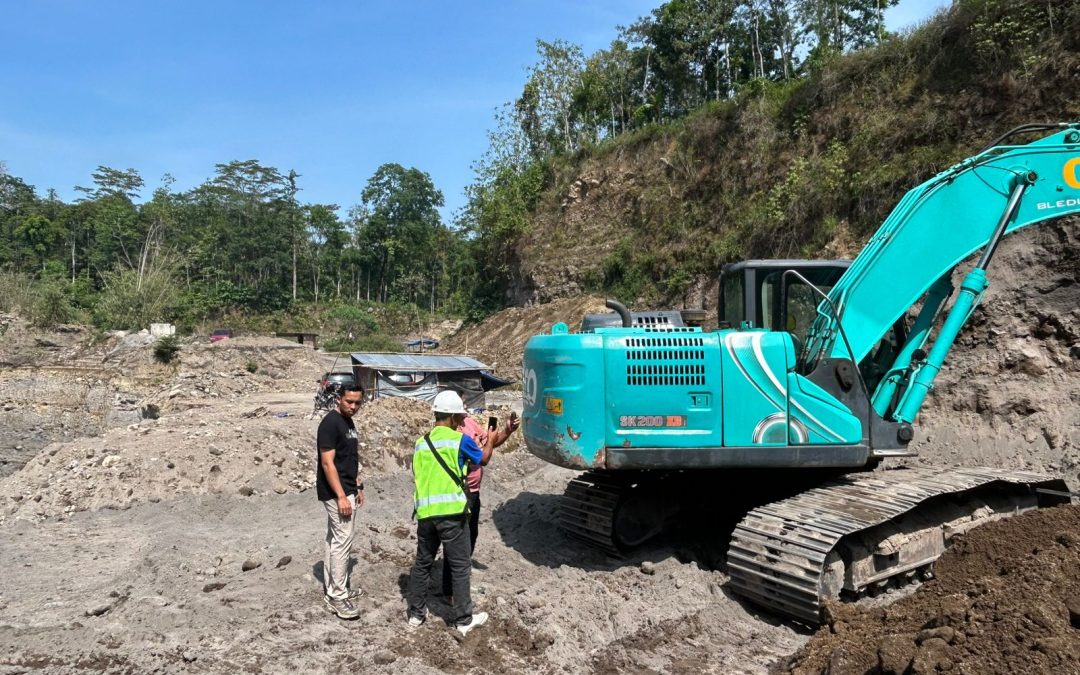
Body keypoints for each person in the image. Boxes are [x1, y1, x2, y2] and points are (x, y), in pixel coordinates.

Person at [406, 390, 489, 636]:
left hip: (425, 513)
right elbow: (482, 459)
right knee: (460, 565)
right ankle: (463, 619)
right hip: (452, 513)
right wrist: (491, 439)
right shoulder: (459, 440)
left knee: (422, 563)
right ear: (454, 417)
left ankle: (415, 614)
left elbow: (418, 475)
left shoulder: (421, 443)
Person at [440, 409, 519, 598]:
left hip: (473, 493)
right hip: (461, 493)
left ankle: (460, 581)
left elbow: (489, 443)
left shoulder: (469, 422)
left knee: (470, 537)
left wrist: (506, 431)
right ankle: (449, 590)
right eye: (461, 406)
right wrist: (488, 442)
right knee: (457, 542)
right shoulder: (450, 432)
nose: (465, 410)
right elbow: (483, 457)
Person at [316, 384, 365, 620]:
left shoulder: (348, 422)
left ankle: (337, 588)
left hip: (348, 488)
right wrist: (342, 496)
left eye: (357, 402)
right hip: (337, 493)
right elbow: (328, 463)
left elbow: (349, 457)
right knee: (342, 541)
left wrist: (358, 485)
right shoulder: (330, 423)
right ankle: (337, 596)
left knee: (335, 539)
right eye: (349, 402)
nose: (353, 406)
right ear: (339, 399)